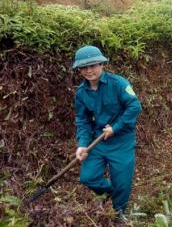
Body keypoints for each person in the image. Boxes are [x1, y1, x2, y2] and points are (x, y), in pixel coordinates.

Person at [72, 46, 142, 220]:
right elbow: (83, 121)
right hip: (98, 140)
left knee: (122, 181)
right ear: (79, 69)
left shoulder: (119, 83)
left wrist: (115, 127)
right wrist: (82, 144)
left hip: (122, 140)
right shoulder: (81, 93)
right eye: (84, 67)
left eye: (93, 65)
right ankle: (113, 193)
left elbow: (134, 106)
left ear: (102, 64)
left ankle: (120, 215)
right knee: (88, 177)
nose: (89, 71)